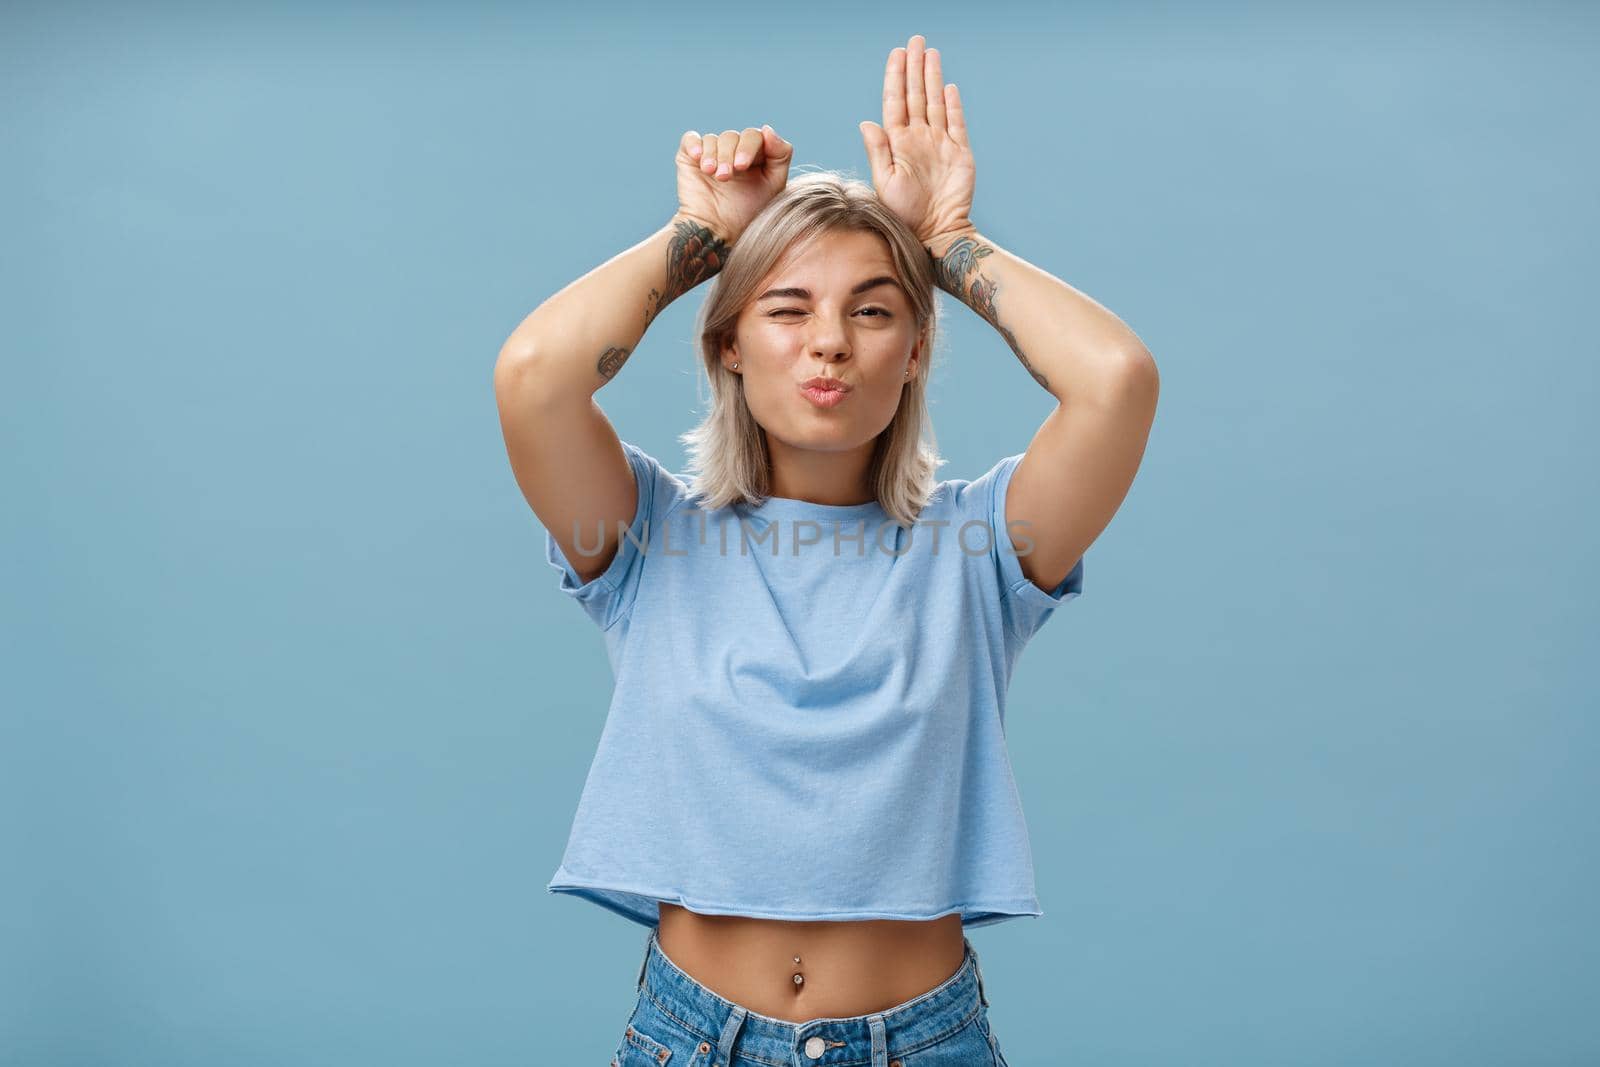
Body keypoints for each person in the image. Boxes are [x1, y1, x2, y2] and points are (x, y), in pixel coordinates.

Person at [494, 32, 1158, 1067]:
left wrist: (945, 237)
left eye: (873, 310)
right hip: (690, 1037)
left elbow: (1115, 378)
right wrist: (700, 232)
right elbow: (535, 373)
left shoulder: (979, 549)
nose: (830, 341)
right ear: (729, 345)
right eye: (787, 307)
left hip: (922, 1040)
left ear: (915, 350)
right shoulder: (645, 536)